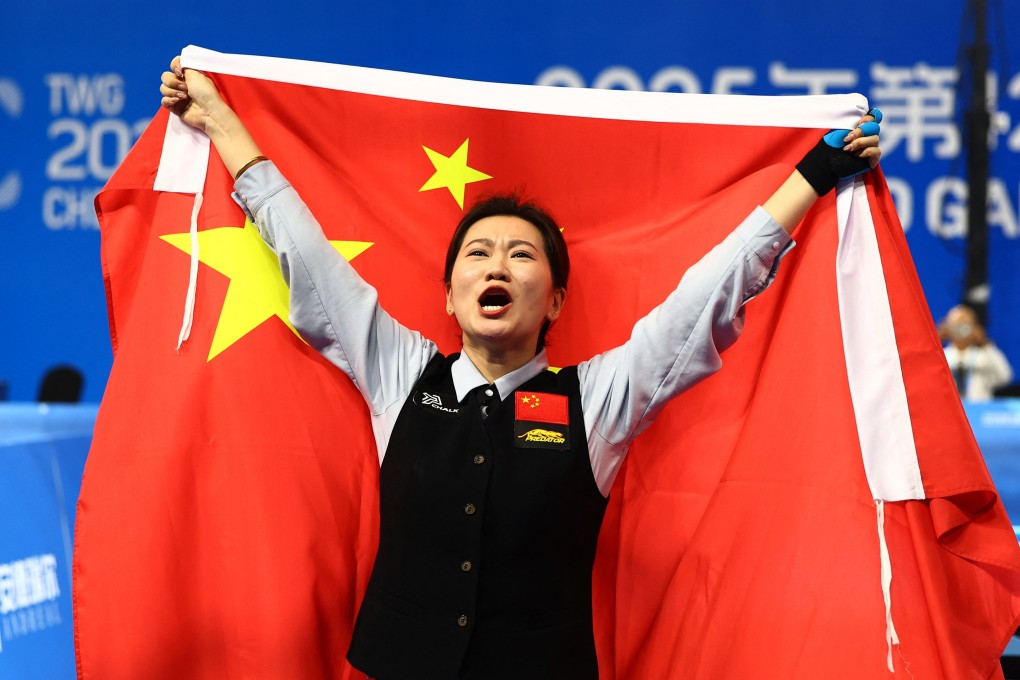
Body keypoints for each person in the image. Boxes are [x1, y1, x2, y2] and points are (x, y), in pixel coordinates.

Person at [160, 56, 881, 680]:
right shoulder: (399, 372)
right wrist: (220, 121)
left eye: (521, 254)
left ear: (555, 299)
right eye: (477, 253)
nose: (496, 263)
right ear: (449, 295)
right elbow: (304, 253)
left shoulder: (599, 400)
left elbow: (707, 294)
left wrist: (815, 174)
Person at [939, 304, 1013, 401]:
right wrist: (935, 340)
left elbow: (1005, 377)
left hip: (980, 410)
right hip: (951, 411)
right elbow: (926, 381)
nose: (961, 331)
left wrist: (986, 344)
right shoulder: (942, 356)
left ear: (974, 327)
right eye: (956, 325)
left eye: (965, 326)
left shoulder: (986, 355)